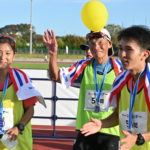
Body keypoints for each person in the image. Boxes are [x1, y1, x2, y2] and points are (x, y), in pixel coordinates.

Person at [43, 28, 123, 150]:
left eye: (100, 42)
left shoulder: (121, 69)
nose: (96, 47)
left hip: (111, 132)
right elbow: (55, 76)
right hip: (85, 130)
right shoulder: (83, 66)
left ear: (109, 44)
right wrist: (53, 54)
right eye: (92, 43)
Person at [80, 25, 150, 150]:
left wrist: (139, 138)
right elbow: (119, 114)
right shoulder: (120, 81)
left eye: (129, 49)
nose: (122, 54)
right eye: (120, 48)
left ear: (144, 54)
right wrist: (102, 123)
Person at [0, 34, 45, 150]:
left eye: (7, 53)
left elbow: (30, 109)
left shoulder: (20, 78)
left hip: (18, 141)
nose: (2, 56)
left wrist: (18, 127)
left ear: (13, 56)